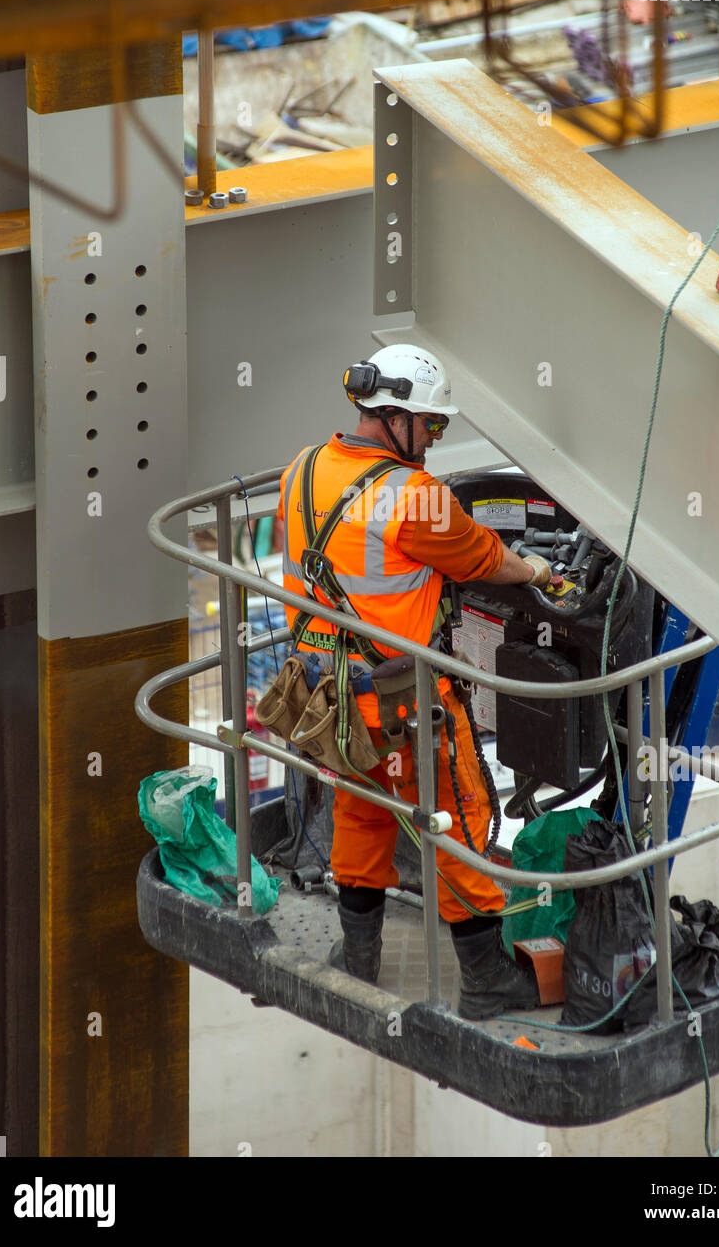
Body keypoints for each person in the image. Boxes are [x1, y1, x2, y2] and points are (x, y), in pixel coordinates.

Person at [276, 343, 552, 1020]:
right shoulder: (414, 495)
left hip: (324, 693)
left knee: (362, 811)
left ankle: (360, 957)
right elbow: (483, 556)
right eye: (431, 425)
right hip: (399, 700)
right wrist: (540, 573)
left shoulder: (302, 467)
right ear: (393, 417)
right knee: (456, 820)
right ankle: (485, 981)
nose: (433, 438)